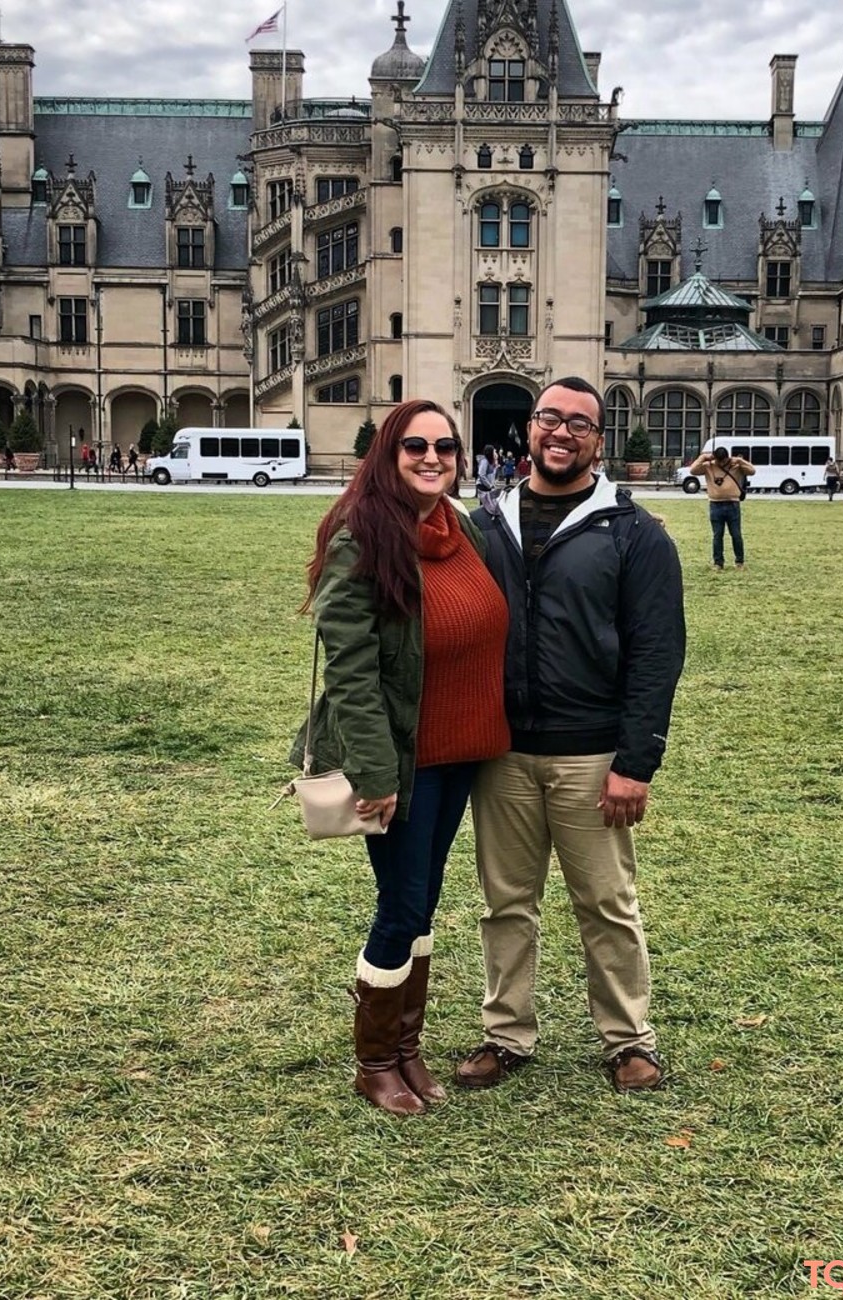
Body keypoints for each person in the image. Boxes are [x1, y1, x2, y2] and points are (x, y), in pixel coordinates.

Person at [459, 376, 686, 1094]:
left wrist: (635, 763)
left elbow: (657, 654)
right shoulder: (485, 523)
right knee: (505, 904)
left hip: (591, 754)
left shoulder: (634, 533)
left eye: (579, 424)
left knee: (607, 904)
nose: (561, 432)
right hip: (502, 753)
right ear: (529, 429)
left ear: (598, 440)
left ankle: (628, 1040)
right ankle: (506, 1033)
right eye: (549, 418)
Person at [290, 399, 510, 1117]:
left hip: (459, 753)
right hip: (401, 760)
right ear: (388, 454)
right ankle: (375, 1061)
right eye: (415, 446)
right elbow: (350, 671)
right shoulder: (362, 536)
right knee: (402, 905)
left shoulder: (459, 526)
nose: (432, 457)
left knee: (423, 900)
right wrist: (376, 774)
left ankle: (407, 1049)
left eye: (445, 446)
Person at [688, 444, 757, 569]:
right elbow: (693, 470)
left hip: (732, 503)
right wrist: (703, 457)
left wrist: (740, 461)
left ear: (727, 458)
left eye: (723, 461)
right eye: (718, 461)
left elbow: (752, 471)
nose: (721, 463)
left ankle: (739, 561)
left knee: (736, 534)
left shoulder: (736, 466)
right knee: (717, 535)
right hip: (715, 504)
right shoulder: (708, 466)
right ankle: (718, 562)